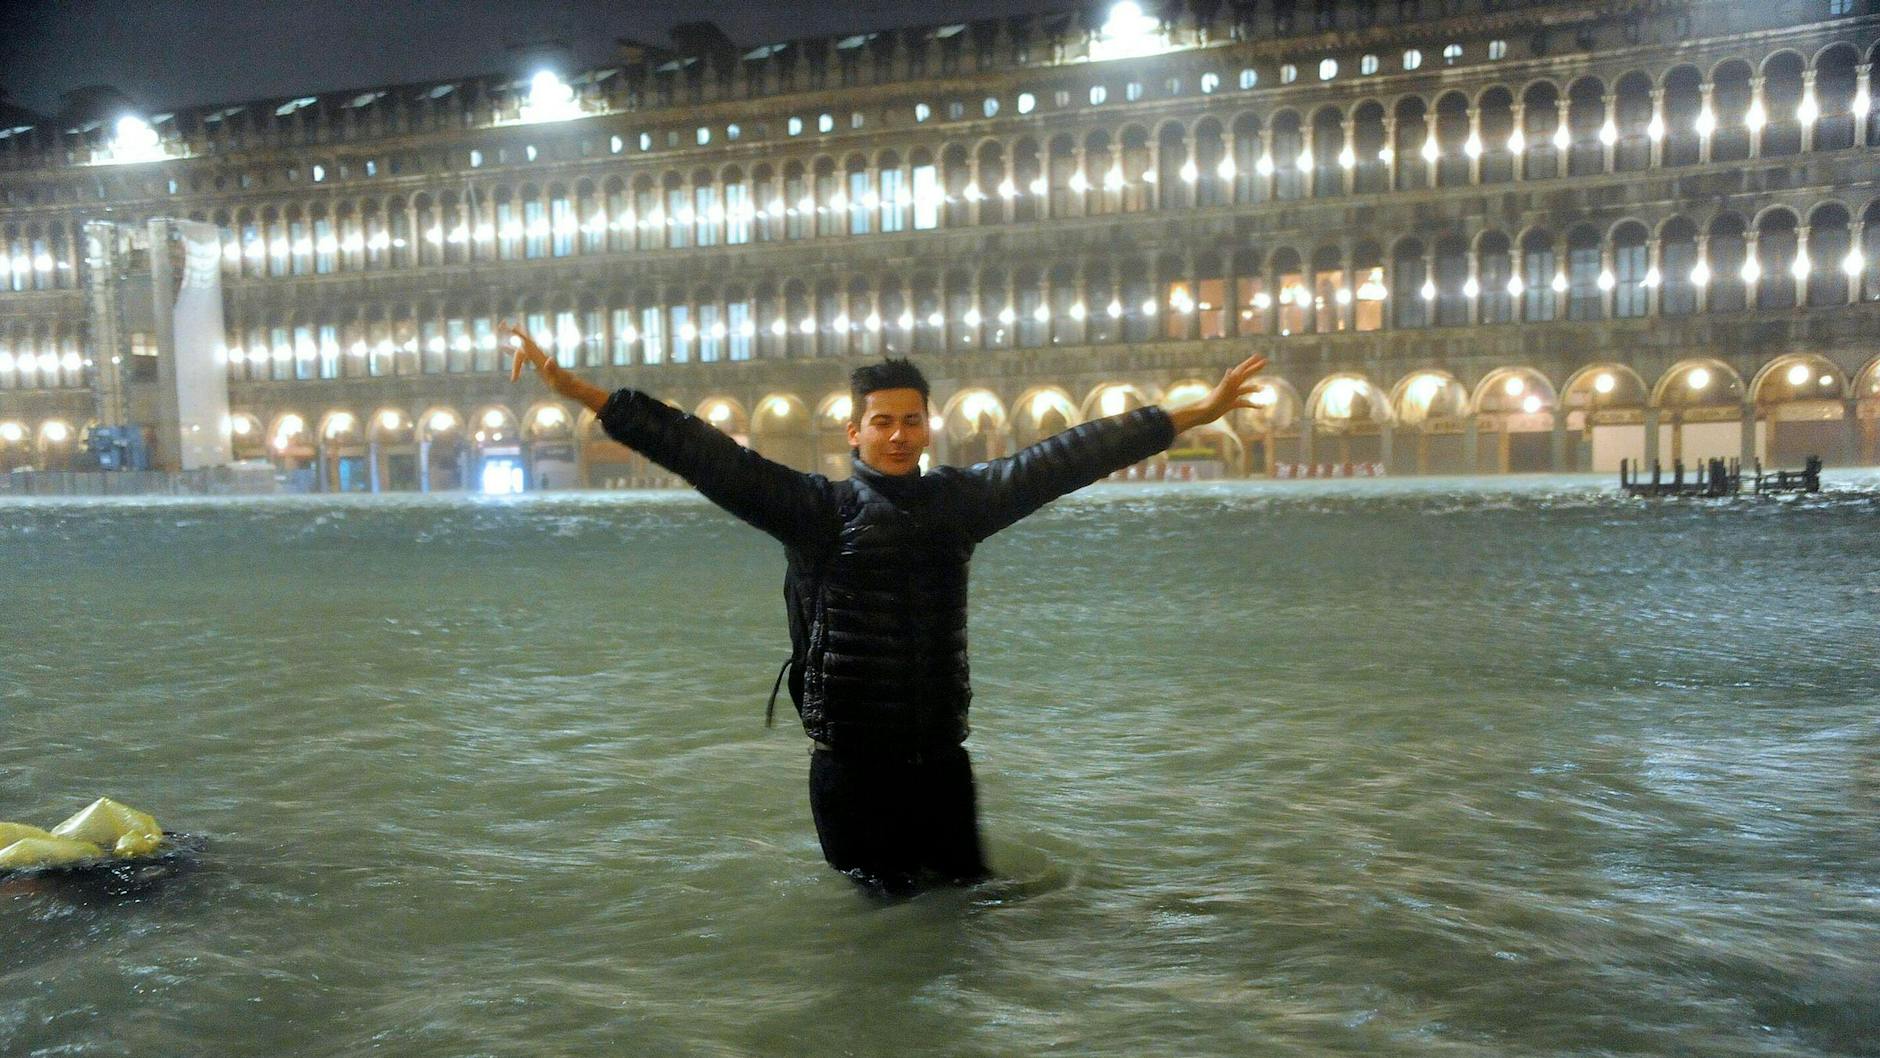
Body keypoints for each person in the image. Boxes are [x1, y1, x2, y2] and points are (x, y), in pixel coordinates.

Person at [504, 321, 1267, 893]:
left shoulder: (959, 505)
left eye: (911, 420)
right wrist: (580, 392)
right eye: (883, 421)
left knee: (965, 919)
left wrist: (1189, 415)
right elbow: (700, 451)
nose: (898, 435)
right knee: (878, 936)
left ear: (928, 427)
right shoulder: (814, 511)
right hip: (852, 773)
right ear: (855, 431)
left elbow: (1066, 456)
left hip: (941, 764)